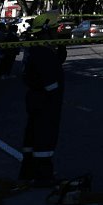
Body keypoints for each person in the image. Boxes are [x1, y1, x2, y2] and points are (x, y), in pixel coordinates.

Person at [19, 11, 67, 186]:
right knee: (44, 137)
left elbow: (56, 61)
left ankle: (28, 172)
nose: (57, 32)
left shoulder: (37, 48)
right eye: (55, 29)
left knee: (32, 136)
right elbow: (49, 77)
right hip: (45, 100)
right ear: (47, 30)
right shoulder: (42, 52)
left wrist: (61, 45)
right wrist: (54, 97)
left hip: (35, 98)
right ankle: (43, 176)